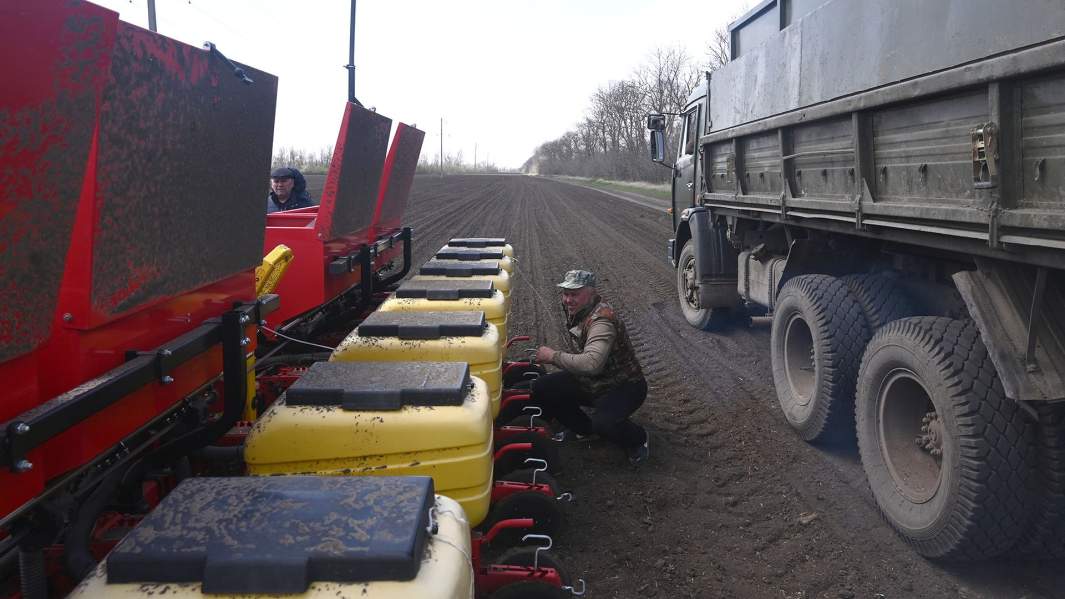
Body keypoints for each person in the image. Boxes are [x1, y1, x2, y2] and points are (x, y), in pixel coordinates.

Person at [534, 270, 650, 464]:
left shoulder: (602, 321)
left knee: (604, 422)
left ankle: (638, 438)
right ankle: (584, 430)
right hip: (594, 381)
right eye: (566, 294)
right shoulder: (580, 310)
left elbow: (591, 364)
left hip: (623, 385)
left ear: (592, 293)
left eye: (574, 294)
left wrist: (553, 356)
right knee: (543, 387)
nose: (568, 300)